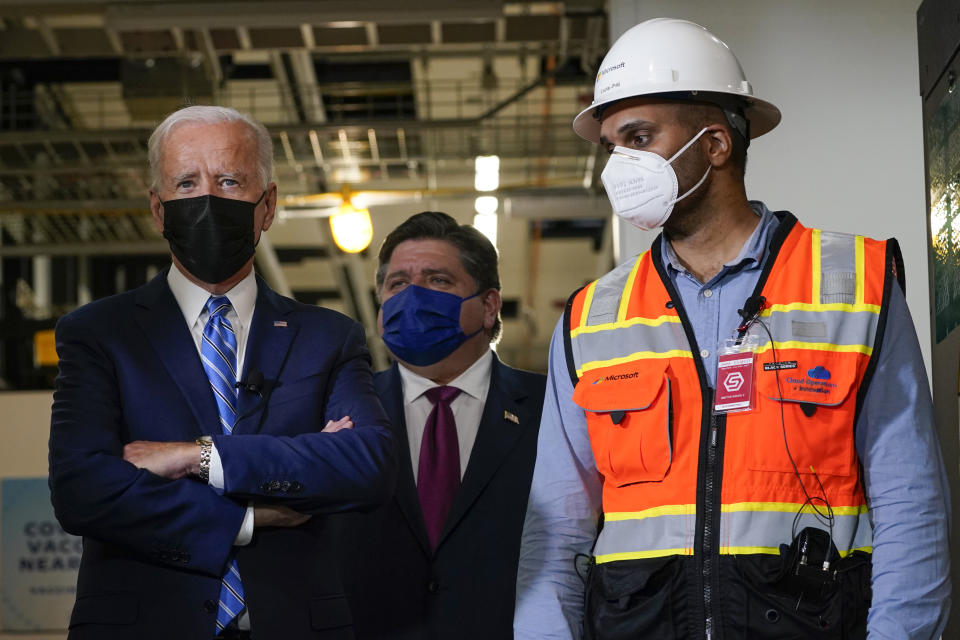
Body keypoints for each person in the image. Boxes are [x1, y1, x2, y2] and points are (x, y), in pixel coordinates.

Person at [514, 18, 950, 640]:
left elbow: (913, 506)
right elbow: (556, 531)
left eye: (638, 137)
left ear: (716, 144)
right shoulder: (592, 315)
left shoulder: (857, 283)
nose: (619, 167)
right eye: (611, 146)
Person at [48, 105, 397, 640]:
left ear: (268, 205)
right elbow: (84, 489)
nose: (206, 198)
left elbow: (366, 465)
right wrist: (251, 519)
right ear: (158, 209)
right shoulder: (98, 334)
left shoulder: (330, 337)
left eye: (229, 180)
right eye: (185, 183)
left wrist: (200, 456)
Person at [336, 211, 546, 639]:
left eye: (437, 280)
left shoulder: (553, 407)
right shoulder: (341, 410)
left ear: (488, 307)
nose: (413, 297)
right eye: (397, 284)